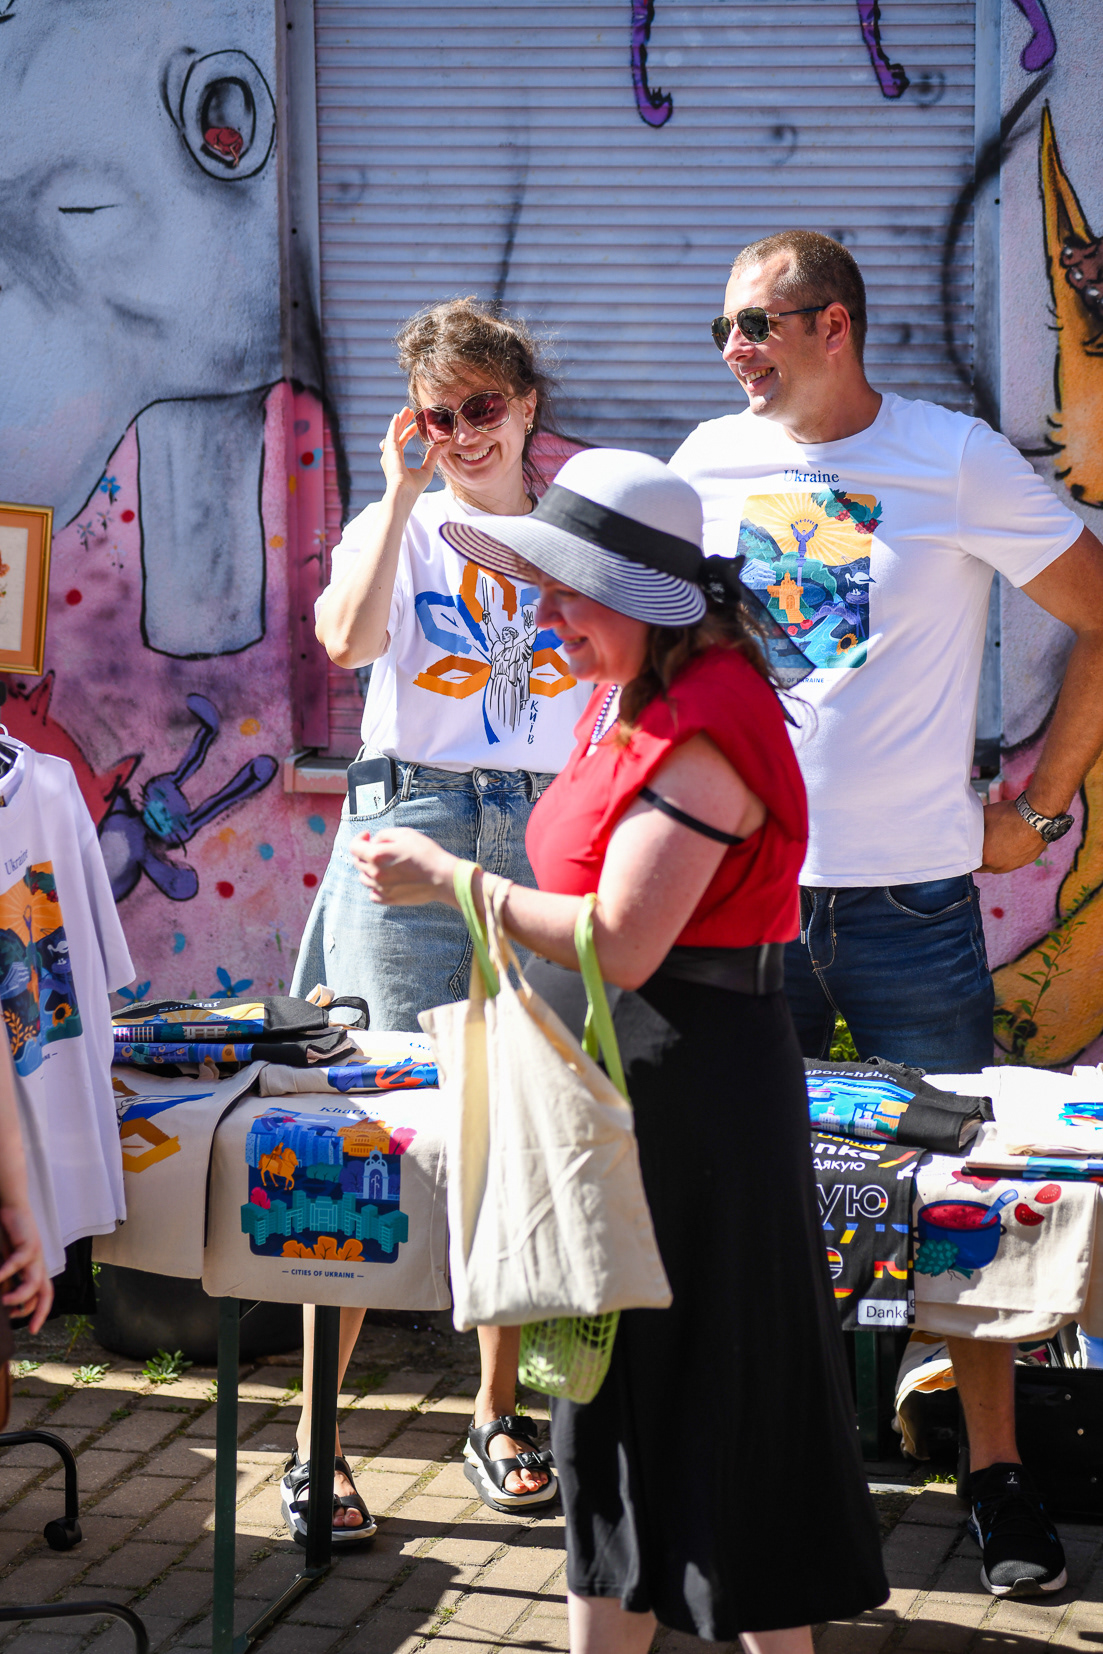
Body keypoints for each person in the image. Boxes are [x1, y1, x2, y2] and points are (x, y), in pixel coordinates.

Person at [349, 448, 889, 1652]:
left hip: (688, 1105)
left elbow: (621, 940)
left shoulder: (705, 723)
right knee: (607, 1407)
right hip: (633, 1091)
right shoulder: (641, 693)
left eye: (566, 595)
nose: (546, 619)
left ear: (640, 597)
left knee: (715, 1403)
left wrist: (448, 879)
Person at [669, 228, 1103, 1598]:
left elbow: (1099, 612)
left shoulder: (949, 457)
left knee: (964, 1197)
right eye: (723, 326)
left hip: (911, 901)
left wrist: (1039, 805)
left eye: (754, 323)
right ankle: (757, 1467)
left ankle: (995, 1473)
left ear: (831, 325)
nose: (732, 349)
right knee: (742, 1189)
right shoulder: (704, 464)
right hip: (746, 897)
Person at [286, 298, 592, 1541]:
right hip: (411, 815)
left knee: (522, 1122)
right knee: (368, 1124)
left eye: (482, 407)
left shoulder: (577, 531)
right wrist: (403, 491)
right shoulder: (397, 522)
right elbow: (345, 639)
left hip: (548, 823)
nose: (464, 432)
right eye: (439, 412)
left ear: (525, 405)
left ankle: (497, 1410)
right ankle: (316, 1437)